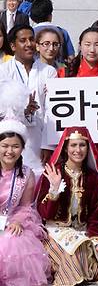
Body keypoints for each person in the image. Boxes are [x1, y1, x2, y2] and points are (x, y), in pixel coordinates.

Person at [36, 127, 98, 286]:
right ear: (65, 147)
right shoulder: (53, 172)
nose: (77, 150)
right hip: (56, 232)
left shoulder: (92, 177)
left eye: (82, 145)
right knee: (77, 252)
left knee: (92, 254)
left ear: (88, 148)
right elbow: (45, 213)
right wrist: (54, 189)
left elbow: (95, 216)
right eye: (73, 145)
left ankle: (74, 268)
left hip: (82, 232)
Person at [0, 25, 57, 176]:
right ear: (13, 45)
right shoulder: (3, 71)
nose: (29, 44)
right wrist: (22, 111)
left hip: (39, 138)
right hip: (10, 141)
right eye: (23, 40)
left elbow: (53, 110)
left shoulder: (49, 71)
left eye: (32, 39)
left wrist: (48, 145)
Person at [0, 118, 51, 286]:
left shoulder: (26, 173)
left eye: (15, 146)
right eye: (5, 146)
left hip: (11, 220)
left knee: (12, 240)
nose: (10, 151)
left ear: (22, 149)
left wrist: (17, 221)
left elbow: (25, 206)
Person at [30, 0, 76, 66]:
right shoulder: (62, 32)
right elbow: (71, 57)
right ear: (50, 15)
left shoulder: (30, 33)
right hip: (58, 72)